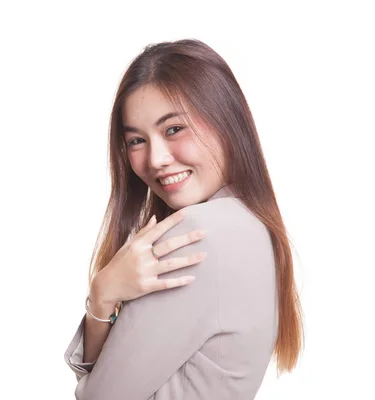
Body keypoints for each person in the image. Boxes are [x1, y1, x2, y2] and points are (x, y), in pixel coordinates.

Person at [63, 39, 303, 400]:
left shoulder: (199, 235)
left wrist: (102, 295)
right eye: (136, 141)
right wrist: (103, 299)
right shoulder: (250, 225)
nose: (157, 158)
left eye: (174, 129)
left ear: (226, 120)